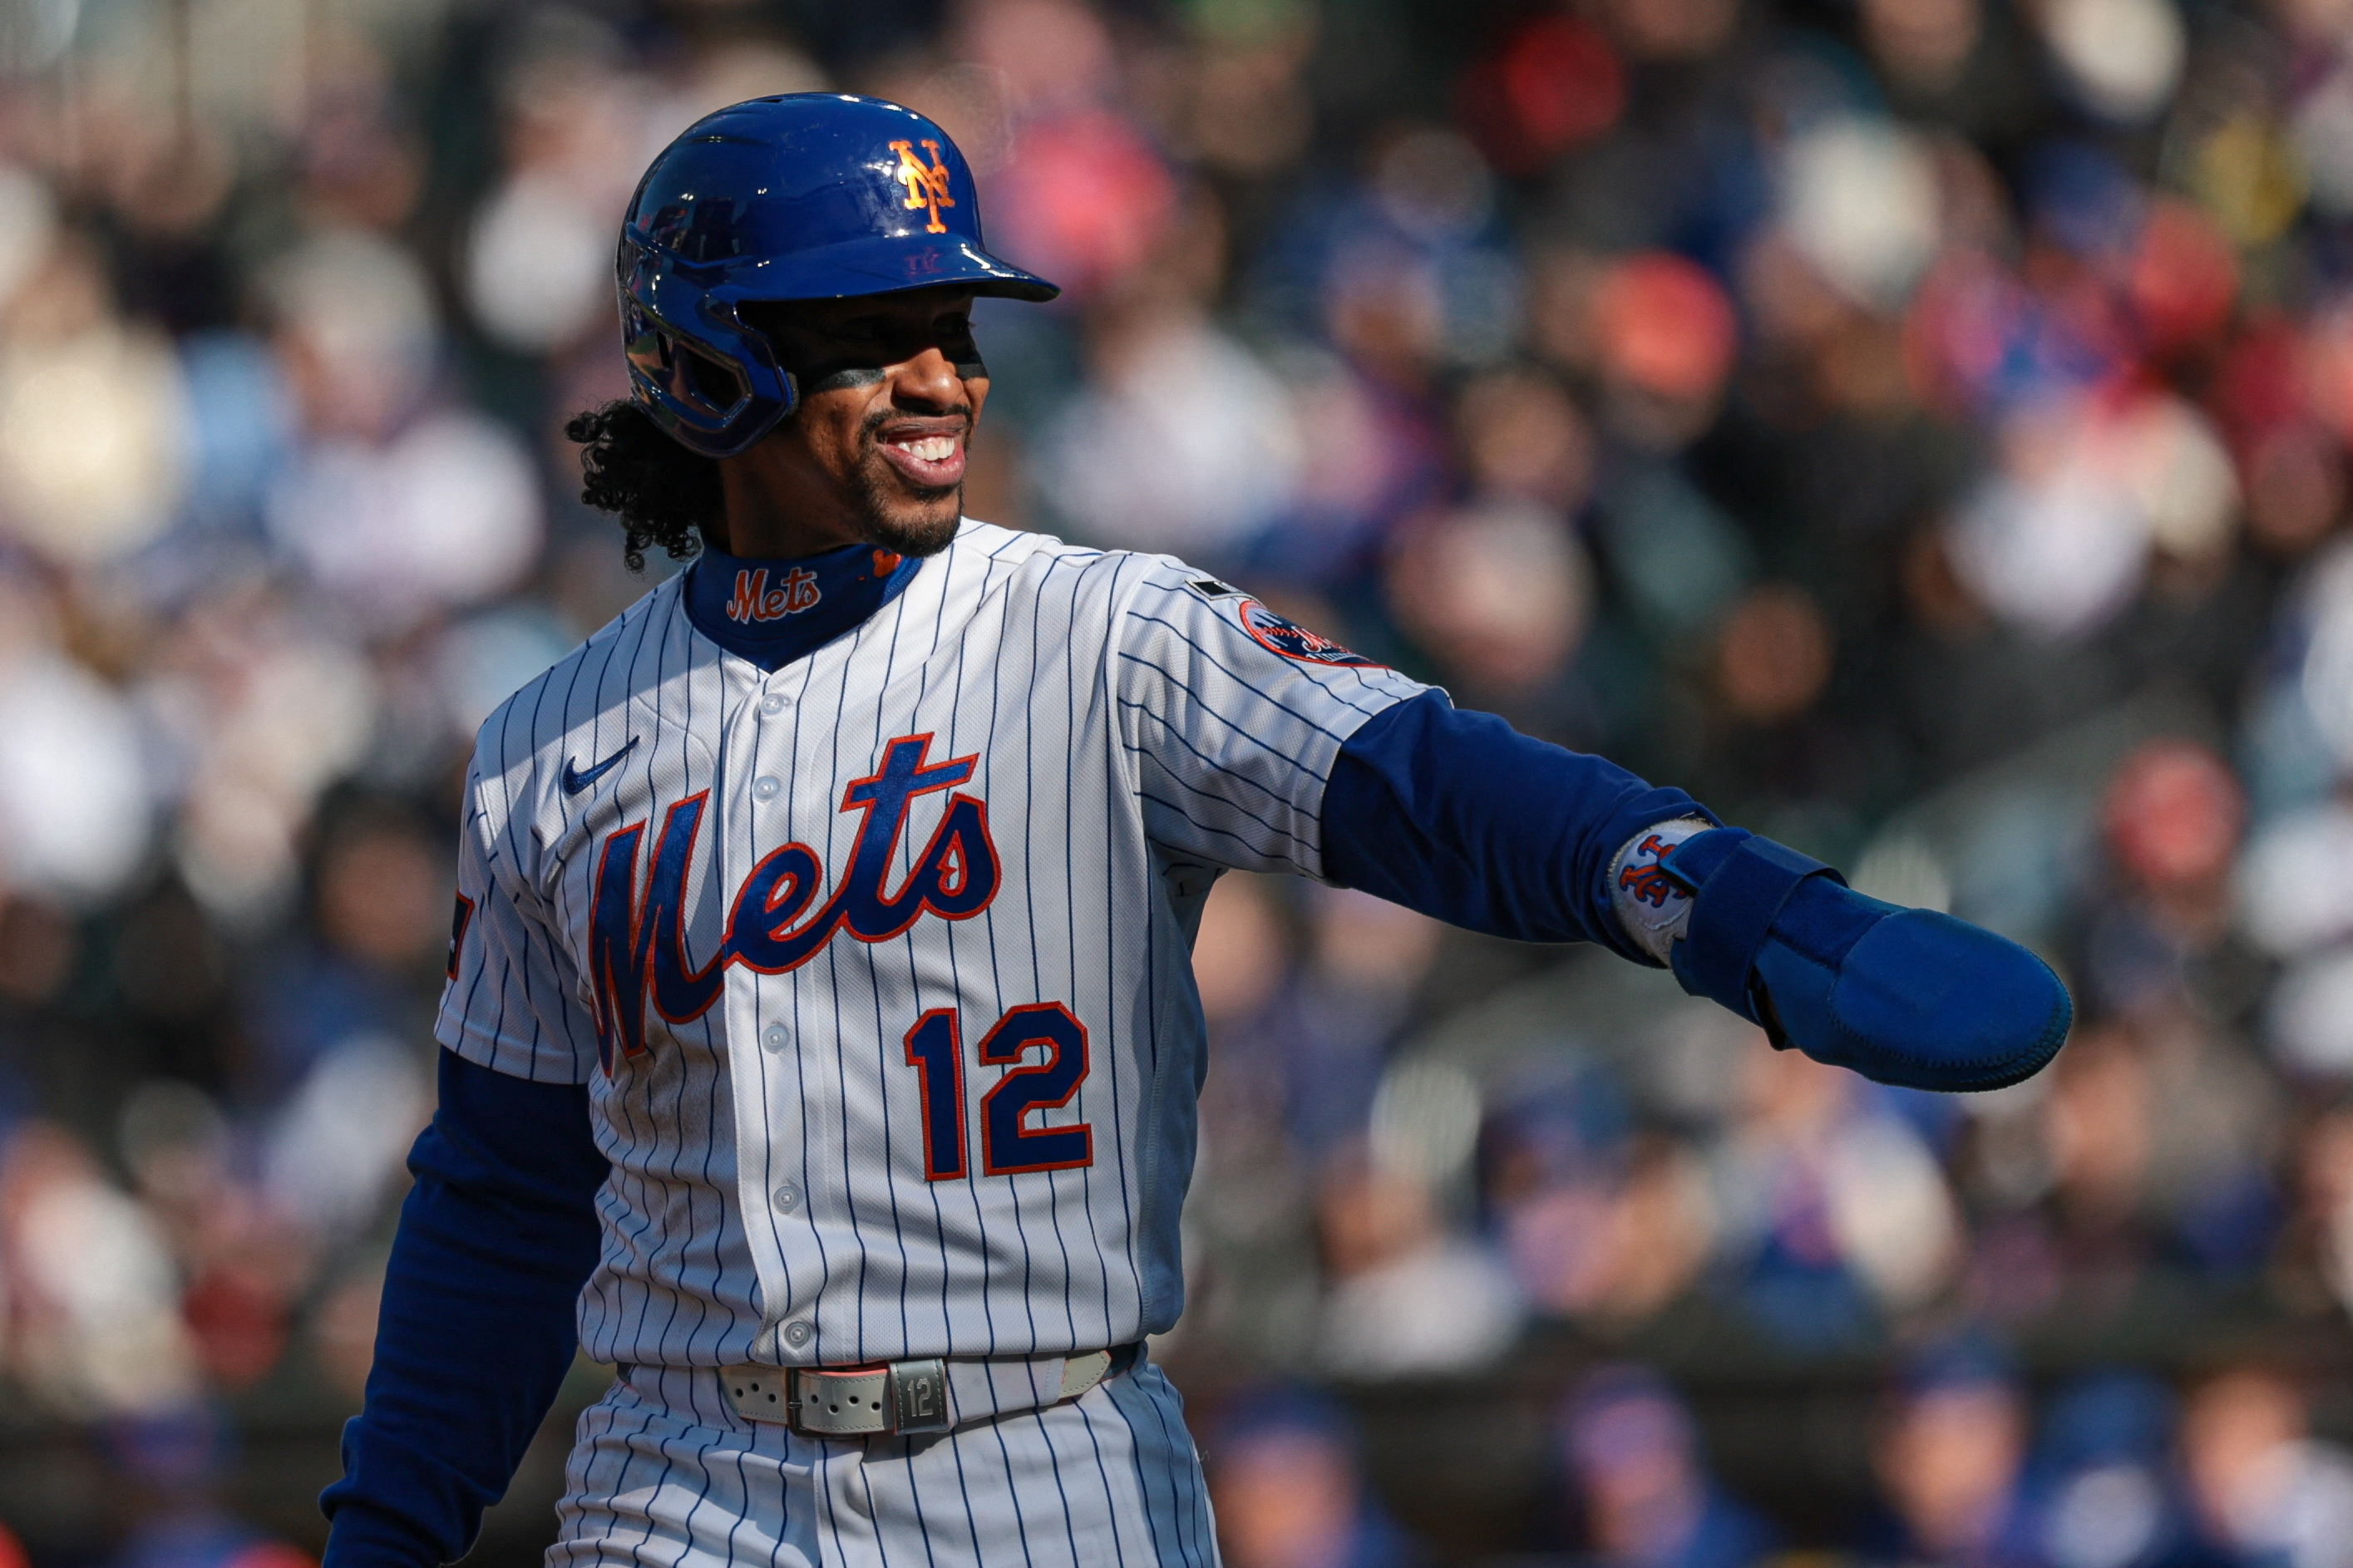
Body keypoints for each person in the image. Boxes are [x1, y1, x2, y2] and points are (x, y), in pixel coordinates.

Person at [317, 93, 2071, 1568]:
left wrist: (1724, 905)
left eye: (957, 325)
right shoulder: (546, 749)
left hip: (1038, 1454)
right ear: (700, 367)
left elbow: (1420, 781)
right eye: (871, 334)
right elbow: (504, 1192)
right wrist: (386, 1532)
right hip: (677, 1482)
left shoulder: (1101, 634)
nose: (944, 374)